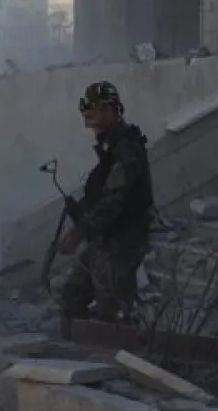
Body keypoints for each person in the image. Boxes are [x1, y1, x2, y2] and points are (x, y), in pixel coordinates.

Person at [56, 80, 154, 336]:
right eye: (87, 109)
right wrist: (82, 212)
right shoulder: (110, 148)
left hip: (123, 241)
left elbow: (114, 202)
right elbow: (103, 195)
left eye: (95, 109)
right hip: (106, 239)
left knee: (112, 313)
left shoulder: (126, 150)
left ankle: (122, 353)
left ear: (111, 110)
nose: (88, 116)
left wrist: (79, 233)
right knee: (71, 296)